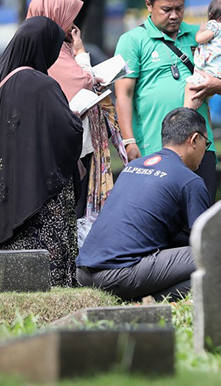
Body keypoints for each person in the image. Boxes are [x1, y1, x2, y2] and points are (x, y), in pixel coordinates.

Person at [0, 16, 83, 287]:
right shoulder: (44, 85)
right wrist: (73, 117)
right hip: (42, 194)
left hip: (10, 192)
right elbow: (69, 133)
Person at [114, 0, 221, 203]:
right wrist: (129, 141)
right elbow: (123, 94)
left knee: (200, 218)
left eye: (180, 8)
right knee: (162, 219)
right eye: (166, 9)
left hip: (200, 147)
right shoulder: (131, 41)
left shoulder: (201, 35)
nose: (175, 15)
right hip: (155, 149)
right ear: (149, 5)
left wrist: (217, 85)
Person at [76, 107, 211, 301]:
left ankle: (139, 299)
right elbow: (206, 241)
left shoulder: (133, 167)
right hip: (118, 274)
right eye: (206, 143)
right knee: (213, 254)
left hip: (84, 271)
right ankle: (145, 300)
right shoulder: (190, 180)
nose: (205, 150)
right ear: (194, 139)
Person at [26, 0, 127, 245]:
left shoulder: (53, 47)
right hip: (67, 144)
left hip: (74, 142)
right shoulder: (51, 52)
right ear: (55, 15)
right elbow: (79, 82)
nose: (72, 23)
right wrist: (81, 54)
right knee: (74, 204)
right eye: (68, 15)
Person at [183, 0, 221, 109]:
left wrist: (201, 30)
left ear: (211, 14)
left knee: (190, 88)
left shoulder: (215, 26)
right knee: (201, 94)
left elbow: (199, 39)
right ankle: (198, 104)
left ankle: (187, 114)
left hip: (209, 70)